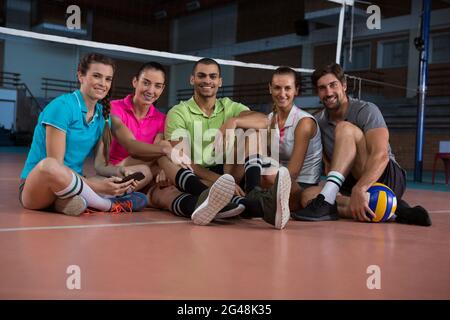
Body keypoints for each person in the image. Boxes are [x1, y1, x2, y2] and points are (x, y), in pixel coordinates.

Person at [148, 58, 292, 229]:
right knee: (165, 156)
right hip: (199, 176)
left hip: (229, 172)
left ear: (220, 81)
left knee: (252, 130)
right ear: (192, 79)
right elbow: (184, 160)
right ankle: (258, 207)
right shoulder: (179, 112)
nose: (207, 81)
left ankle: (253, 192)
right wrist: (218, 181)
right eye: (201, 76)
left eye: (212, 76)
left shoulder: (229, 106)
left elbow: (264, 121)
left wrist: (233, 121)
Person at [291, 63, 432, 226]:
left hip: (384, 174)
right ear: (318, 92)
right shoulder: (319, 123)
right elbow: (330, 167)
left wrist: (361, 188)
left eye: (333, 85)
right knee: (307, 196)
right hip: (350, 182)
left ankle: (333, 200)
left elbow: (381, 155)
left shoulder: (366, 110)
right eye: (322, 88)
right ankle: (394, 210)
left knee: (344, 128)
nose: (328, 92)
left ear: (344, 85)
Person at [19, 53, 148, 216]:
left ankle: (70, 203)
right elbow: (56, 165)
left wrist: (119, 173)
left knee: (140, 182)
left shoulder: (103, 117)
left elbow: (101, 165)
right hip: (39, 187)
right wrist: (97, 187)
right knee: (49, 165)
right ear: (81, 75)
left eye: (108, 79)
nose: (103, 83)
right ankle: (107, 205)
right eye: (96, 76)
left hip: (76, 183)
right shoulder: (62, 107)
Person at [94, 62, 167, 192]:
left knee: (158, 169)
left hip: (143, 175)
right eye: (146, 83)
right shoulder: (113, 108)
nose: (151, 90)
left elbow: (156, 154)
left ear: (162, 89)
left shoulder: (162, 119)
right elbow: (135, 148)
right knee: (148, 168)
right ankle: (107, 194)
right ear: (135, 82)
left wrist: (164, 169)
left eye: (157, 86)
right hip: (114, 170)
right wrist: (166, 151)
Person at [262, 66, 322, 212]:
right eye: (277, 88)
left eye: (287, 88)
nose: (282, 94)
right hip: (278, 181)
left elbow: (292, 173)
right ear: (270, 88)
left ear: (296, 90)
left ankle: (262, 204)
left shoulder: (304, 122)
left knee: (267, 173)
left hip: (302, 185)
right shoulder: (269, 119)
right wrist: (233, 122)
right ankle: (249, 201)